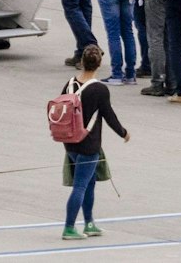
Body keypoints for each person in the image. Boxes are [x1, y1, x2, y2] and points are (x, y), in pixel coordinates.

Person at [60, 44, 128, 241]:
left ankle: (89, 223)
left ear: (82, 62)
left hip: (70, 141)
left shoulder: (70, 84)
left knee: (89, 184)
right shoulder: (99, 89)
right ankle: (69, 228)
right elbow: (109, 115)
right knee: (80, 186)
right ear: (99, 64)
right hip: (89, 145)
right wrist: (123, 133)